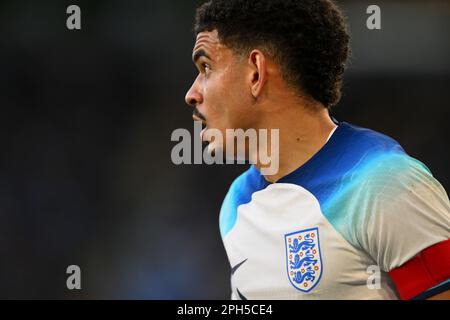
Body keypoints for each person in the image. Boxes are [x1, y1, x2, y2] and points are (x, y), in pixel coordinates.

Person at [184, 0, 450, 299]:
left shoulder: (384, 183)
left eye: (206, 67)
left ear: (256, 73)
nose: (191, 94)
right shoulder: (236, 204)